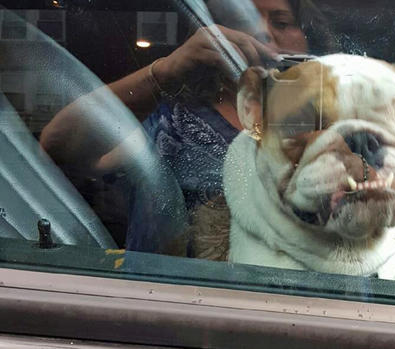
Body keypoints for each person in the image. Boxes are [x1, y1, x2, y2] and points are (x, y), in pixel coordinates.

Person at [40, 0, 337, 259]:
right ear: (216, 36)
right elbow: (58, 148)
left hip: (300, 309)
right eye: (240, 22)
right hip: (170, 307)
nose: (262, 33)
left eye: (282, 22)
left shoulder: (342, 124)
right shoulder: (171, 120)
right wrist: (166, 71)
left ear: (309, 40)